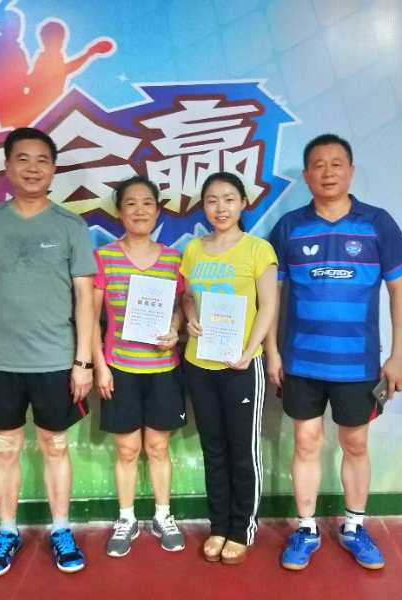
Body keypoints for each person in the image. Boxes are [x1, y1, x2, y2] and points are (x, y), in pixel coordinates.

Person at [0, 127, 96, 577]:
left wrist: (83, 362)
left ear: (54, 169)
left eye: (42, 160)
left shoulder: (70, 226)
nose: (33, 168)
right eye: (23, 159)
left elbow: (85, 297)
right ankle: (7, 532)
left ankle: (61, 529)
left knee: (56, 446)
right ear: (8, 167)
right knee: (5, 449)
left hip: (56, 361)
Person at [267, 133, 402, 571]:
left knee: (355, 442)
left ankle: (354, 526)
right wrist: (273, 352)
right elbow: (271, 295)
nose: (328, 172)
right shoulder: (290, 227)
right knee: (306, 441)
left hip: (358, 363)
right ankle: (306, 528)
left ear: (351, 171)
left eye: (336, 163)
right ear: (307, 175)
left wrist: (398, 355)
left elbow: (399, 292)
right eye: (318, 164)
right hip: (301, 361)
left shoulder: (377, 223)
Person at [180, 172, 278, 565]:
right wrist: (190, 318)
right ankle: (218, 525)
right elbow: (188, 296)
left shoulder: (258, 249)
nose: (220, 208)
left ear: (242, 204)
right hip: (199, 363)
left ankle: (242, 528)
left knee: (243, 449)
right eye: (212, 200)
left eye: (229, 199)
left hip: (240, 366)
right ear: (203, 206)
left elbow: (269, 306)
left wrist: (250, 351)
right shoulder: (194, 249)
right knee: (213, 448)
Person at [91, 176, 187, 558]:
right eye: (131, 203)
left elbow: (181, 307)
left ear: (158, 211)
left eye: (147, 203)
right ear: (119, 212)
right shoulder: (104, 257)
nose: (139, 210)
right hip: (120, 368)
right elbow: (90, 317)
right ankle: (126, 518)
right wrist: (100, 366)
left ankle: (163, 515)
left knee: (158, 447)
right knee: (127, 449)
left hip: (163, 369)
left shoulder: (174, 259)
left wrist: (175, 329)